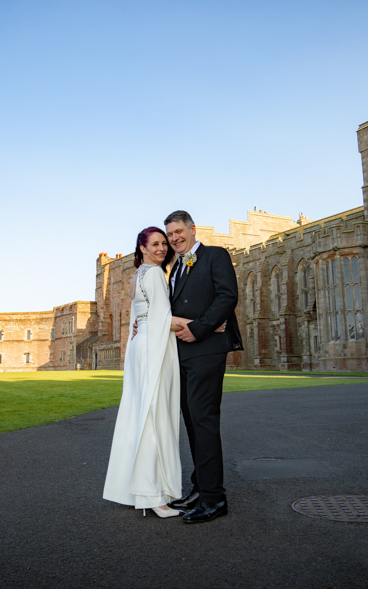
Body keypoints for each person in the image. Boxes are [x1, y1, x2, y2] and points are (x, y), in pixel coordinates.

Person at [164, 210, 243, 524]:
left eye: (179, 231)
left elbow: (228, 296)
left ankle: (214, 498)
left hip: (207, 351)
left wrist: (200, 328)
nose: (175, 238)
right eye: (170, 234)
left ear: (193, 229)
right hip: (180, 356)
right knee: (193, 423)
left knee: (204, 422)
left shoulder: (215, 256)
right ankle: (199, 488)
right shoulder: (176, 268)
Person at [103, 227, 185, 518]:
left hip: (140, 345)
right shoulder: (152, 274)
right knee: (154, 414)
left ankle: (143, 489)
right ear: (142, 248)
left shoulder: (135, 276)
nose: (162, 248)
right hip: (153, 346)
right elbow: (163, 318)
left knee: (141, 412)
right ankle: (154, 496)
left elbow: (141, 316)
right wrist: (210, 324)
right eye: (155, 244)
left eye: (165, 243)